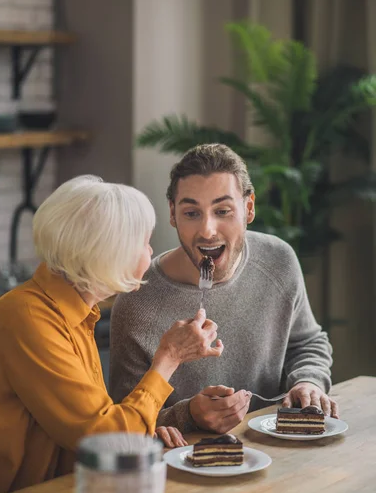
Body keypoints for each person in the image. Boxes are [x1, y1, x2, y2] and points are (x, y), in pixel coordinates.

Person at [0, 175, 223, 493]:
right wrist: (168, 358)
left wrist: (147, 428)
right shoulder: (28, 319)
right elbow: (106, 440)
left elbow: (93, 420)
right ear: (107, 252)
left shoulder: (72, 311)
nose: (150, 252)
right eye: (143, 242)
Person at [109, 144, 338, 442]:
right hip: (189, 472)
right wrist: (188, 414)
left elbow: (307, 343)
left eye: (223, 211)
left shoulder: (279, 260)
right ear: (173, 214)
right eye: (192, 213)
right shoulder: (136, 302)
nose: (207, 230)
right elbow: (123, 423)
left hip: (281, 451)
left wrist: (309, 382)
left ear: (249, 208)